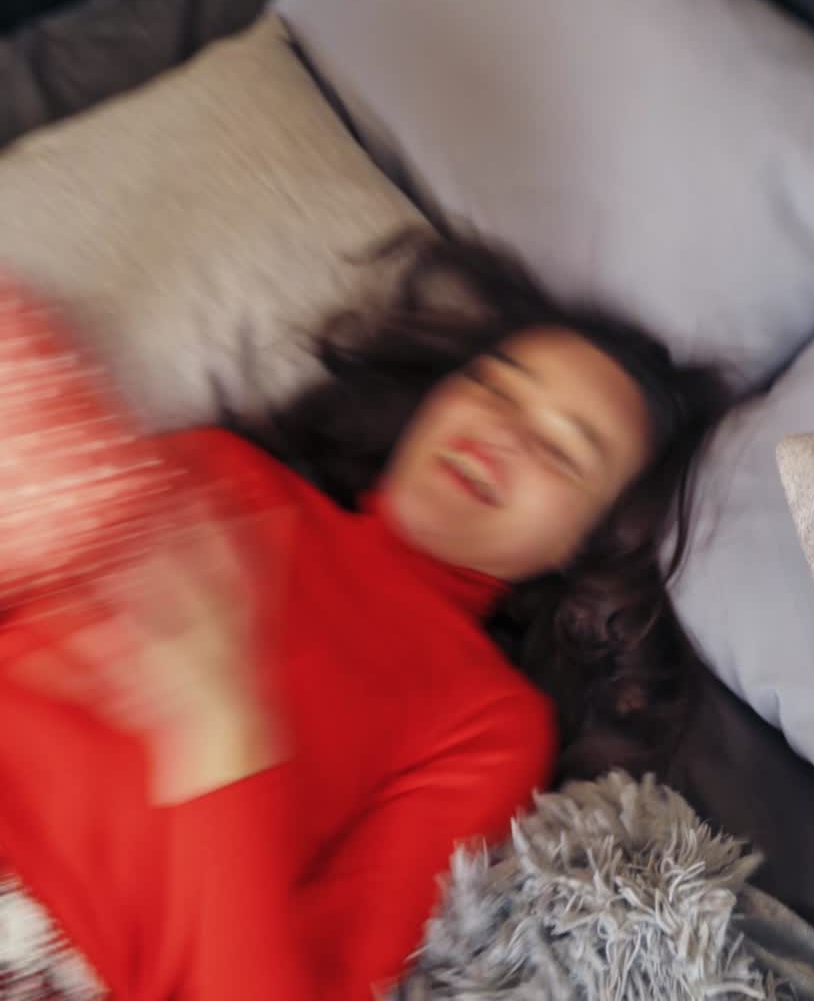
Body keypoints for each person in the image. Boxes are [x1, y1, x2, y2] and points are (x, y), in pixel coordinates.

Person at [0, 231, 730, 1001]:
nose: (504, 432)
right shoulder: (221, 470)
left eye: (562, 450)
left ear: (586, 544)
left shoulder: (493, 722)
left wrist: (222, 738)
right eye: (495, 386)